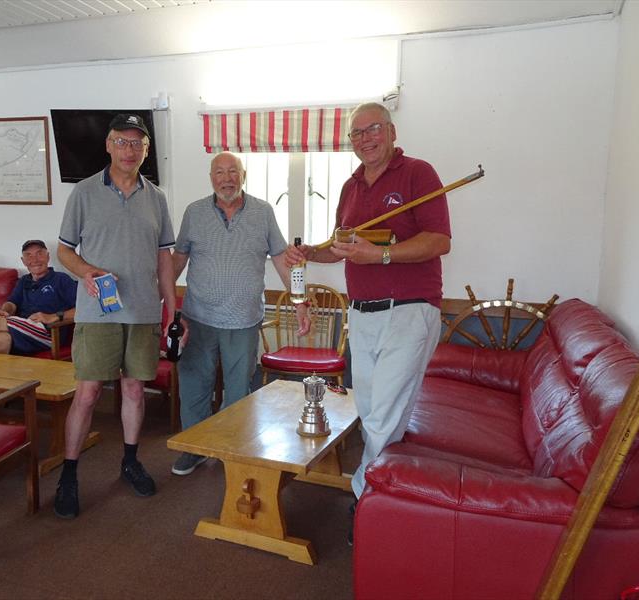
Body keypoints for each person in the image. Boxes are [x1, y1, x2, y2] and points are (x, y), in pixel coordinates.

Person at [285, 102, 451, 512]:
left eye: (372, 129)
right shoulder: (350, 186)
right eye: (356, 133)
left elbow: (439, 240)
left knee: (383, 415)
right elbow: (341, 249)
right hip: (361, 314)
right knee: (370, 408)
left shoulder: (419, 173)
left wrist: (381, 256)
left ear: (391, 131)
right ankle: (388, 491)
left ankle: (366, 499)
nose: (364, 139)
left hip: (410, 311)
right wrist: (309, 253)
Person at [54, 113, 176, 518]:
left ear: (146, 149)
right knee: (88, 394)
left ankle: (130, 460)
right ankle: (69, 473)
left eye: (137, 143)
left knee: (134, 390)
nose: (130, 150)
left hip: (142, 311)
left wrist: (170, 309)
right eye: (122, 142)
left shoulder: (156, 197)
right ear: (108, 145)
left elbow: (164, 260)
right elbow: (64, 251)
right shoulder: (85, 193)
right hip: (97, 312)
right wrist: (86, 271)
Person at [169, 152, 310, 476]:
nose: (226, 178)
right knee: (194, 387)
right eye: (219, 172)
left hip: (243, 319)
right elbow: (178, 260)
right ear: (211, 177)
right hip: (199, 316)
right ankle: (194, 447)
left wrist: (300, 302)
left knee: (238, 392)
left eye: (233, 171)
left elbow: (280, 260)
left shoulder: (263, 212)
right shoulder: (194, 212)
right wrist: (159, 294)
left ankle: (233, 450)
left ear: (243, 176)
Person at [0, 240, 77, 362]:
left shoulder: (61, 279)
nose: (35, 260)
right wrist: (4, 311)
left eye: (39, 253)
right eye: (29, 255)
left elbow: (83, 310)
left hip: (49, 333)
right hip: (26, 331)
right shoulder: (24, 281)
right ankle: (1, 380)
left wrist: (54, 316)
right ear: (23, 261)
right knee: (0, 339)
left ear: (48, 256)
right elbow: (12, 303)